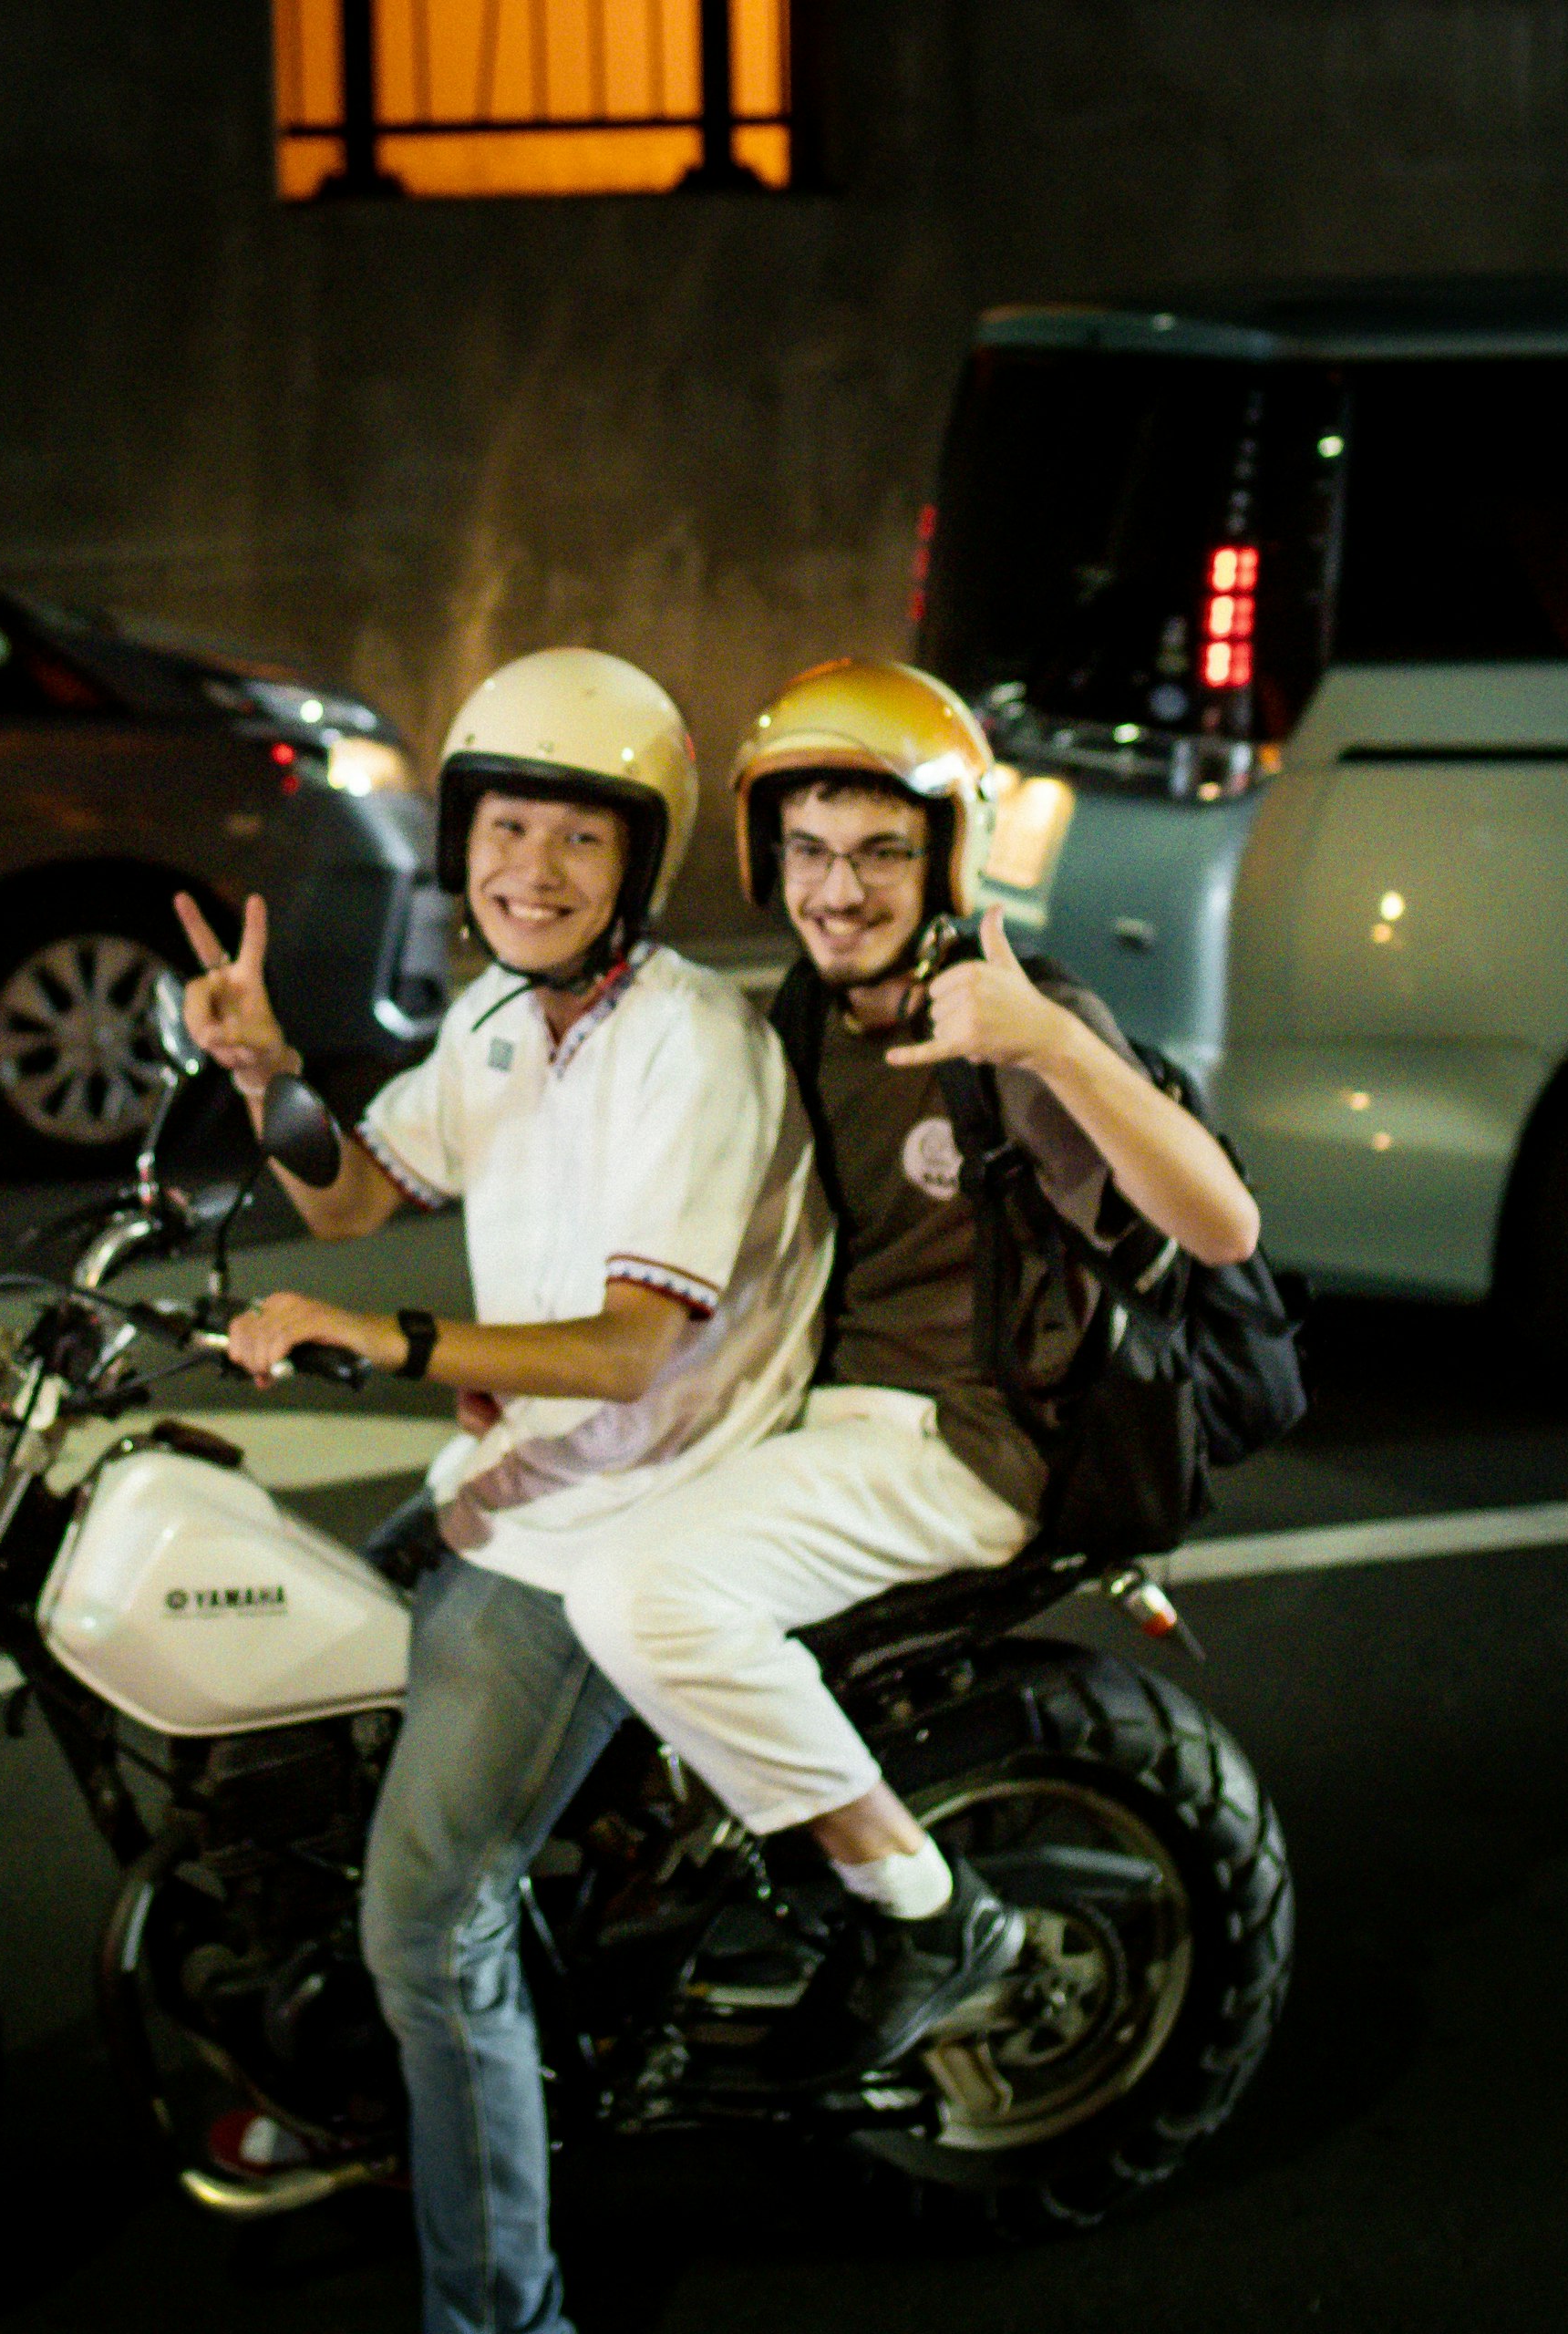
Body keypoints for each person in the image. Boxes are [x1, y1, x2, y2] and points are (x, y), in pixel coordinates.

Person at [175, 645, 825, 2334]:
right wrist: (264, 1078)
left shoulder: (690, 1046)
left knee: (423, 1921)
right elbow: (349, 1196)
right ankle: (403, 2090)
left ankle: (501, 2311)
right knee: (282, 1717)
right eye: (506, 827)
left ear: (637, 867)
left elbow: (625, 1353)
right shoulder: (496, 1021)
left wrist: (384, 1338)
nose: (533, 871)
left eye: (580, 841)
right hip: (517, 1476)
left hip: (628, 1512)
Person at [555, 657, 1264, 2073]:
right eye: (809, 851)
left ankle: (923, 1910)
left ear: (946, 857)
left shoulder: (1006, 1019)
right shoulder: (808, 1017)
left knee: (638, 1593)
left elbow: (1221, 1224)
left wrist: (1052, 1043)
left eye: (882, 853)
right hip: (823, 1420)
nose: (839, 889)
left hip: (966, 1443)